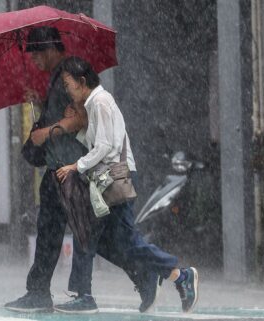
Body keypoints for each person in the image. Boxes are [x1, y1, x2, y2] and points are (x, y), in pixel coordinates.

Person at [4, 26, 159, 314]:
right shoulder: (56, 80)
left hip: (73, 170)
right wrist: (40, 103)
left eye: (37, 54)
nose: (34, 61)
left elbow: (79, 119)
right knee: (55, 233)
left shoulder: (68, 78)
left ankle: (138, 275)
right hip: (59, 170)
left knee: (97, 239)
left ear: (51, 49)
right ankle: (39, 291)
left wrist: (46, 133)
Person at [54, 56, 199, 314]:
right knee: (107, 240)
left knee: (106, 237)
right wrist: (76, 125)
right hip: (109, 176)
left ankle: (178, 275)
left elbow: (106, 146)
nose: (67, 89)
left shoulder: (100, 101)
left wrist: (77, 166)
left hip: (113, 177)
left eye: (68, 83)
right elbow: (100, 141)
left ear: (82, 81)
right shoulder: (95, 103)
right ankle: (150, 279)